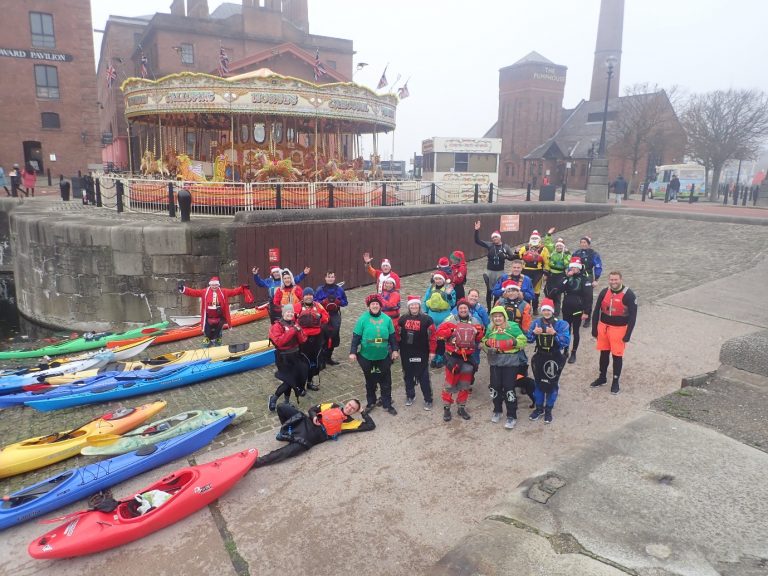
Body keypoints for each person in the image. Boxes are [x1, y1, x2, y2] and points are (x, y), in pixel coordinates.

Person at [254, 399, 375, 468]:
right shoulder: (333, 406)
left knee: (285, 453)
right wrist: (313, 417)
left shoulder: (350, 423)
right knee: (281, 406)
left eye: (353, 408)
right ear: (346, 403)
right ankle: (287, 431)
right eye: (349, 404)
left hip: (309, 438)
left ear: (354, 412)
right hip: (306, 423)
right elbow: (312, 409)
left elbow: (370, 426)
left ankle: (257, 462)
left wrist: (363, 411)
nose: (349, 408)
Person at [435, 298, 485, 422]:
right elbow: (439, 333)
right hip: (453, 357)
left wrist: (477, 333)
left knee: (465, 384)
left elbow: (480, 336)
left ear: (469, 309)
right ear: (458, 309)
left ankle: (461, 407)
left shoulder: (474, 321)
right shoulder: (450, 320)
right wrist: (451, 331)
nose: (463, 310)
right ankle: (447, 408)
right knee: (450, 384)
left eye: (465, 308)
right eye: (461, 308)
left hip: (467, 357)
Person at [350, 294, 400, 415]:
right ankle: (371, 402)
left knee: (386, 382)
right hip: (368, 357)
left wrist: (394, 350)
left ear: (380, 306)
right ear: (369, 306)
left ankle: (387, 403)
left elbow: (393, 337)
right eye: (373, 304)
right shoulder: (362, 319)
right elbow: (356, 337)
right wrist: (352, 352)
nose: (375, 306)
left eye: (377, 304)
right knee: (370, 382)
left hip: (383, 356)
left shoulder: (387, 319)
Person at [590, 271, 637, 395]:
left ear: (621, 280)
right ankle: (602, 377)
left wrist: (628, 334)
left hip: (619, 329)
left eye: (616, 280)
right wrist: (594, 328)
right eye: (611, 280)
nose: (613, 282)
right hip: (604, 327)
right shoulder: (604, 292)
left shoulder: (629, 295)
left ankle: (615, 381)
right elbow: (596, 311)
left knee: (617, 356)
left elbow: (633, 317)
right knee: (603, 354)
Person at [482, 306, 528, 429]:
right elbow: (484, 340)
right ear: (492, 318)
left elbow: (523, 340)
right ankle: (497, 410)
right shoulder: (490, 327)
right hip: (495, 361)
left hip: (510, 361)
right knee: (495, 387)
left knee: (509, 388)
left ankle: (511, 415)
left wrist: (512, 342)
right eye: (495, 316)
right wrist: (487, 343)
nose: (497, 318)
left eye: (500, 316)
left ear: (504, 317)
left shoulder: (512, 326)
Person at [526, 298, 570, 424]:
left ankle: (549, 409)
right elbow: (528, 340)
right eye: (544, 309)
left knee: (552, 385)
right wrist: (533, 333)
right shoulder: (536, 323)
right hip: (540, 356)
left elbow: (566, 342)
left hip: (555, 357)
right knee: (539, 384)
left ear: (552, 311)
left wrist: (555, 334)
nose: (546, 312)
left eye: (548, 310)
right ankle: (539, 409)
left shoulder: (562, 324)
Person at [178, 276, 251, 347]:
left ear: (218, 285)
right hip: (208, 317)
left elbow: (234, 292)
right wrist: (184, 289)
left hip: (219, 317)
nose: (214, 286)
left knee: (218, 331)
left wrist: (242, 288)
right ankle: (207, 342)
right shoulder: (205, 291)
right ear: (210, 284)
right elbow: (194, 292)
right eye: (213, 285)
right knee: (207, 332)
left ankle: (218, 342)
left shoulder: (224, 291)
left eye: (216, 285)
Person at [396, 295, 437, 410]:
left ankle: (428, 399)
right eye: (412, 305)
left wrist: (432, 351)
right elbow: (396, 335)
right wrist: (396, 349)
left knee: (423, 377)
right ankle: (410, 396)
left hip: (422, 353)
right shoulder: (402, 319)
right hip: (406, 353)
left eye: (416, 305)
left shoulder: (427, 319)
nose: (414, 307)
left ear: (419, 306)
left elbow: (433, 336)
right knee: (408, 376)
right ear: (409, 307)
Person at [548, 257, 591, 364]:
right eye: (572, 267)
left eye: (575, 268)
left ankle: (574, 352)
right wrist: (566, 277)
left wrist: (586, 312)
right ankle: (566, 350)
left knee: (575, 331)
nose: (573, 269)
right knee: (566, 330)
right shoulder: (567, 278)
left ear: (579, 268)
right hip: (566, 308)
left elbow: (589, 297)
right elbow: (558, 289)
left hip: (578, 309)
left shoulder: (585, 279)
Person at [267, 304, 309, 409]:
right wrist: (293, 330)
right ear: (283, 313)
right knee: (288, 380)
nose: (289, 314)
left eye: (291, 312)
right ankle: (274, 398)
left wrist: (299, 331)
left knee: (292, 380)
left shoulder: (295, 324)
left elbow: (303, 340)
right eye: (287, 312)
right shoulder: (276, 326)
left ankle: (286, 402)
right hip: (283, 357)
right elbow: (280, 342)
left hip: (295, 355)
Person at [293, 288, 329, 391]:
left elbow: (326, 318)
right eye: (306, 295)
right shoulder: (297, 307)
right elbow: (292, 321)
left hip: (316, 338)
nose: (308, 296)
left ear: (313, 296)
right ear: (303, 297)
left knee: (314, 361)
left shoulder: (318, 306)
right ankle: (301, 386)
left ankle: (310, 382)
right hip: (303, 339)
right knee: (303, 362)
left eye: (310, 295)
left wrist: (319, 316)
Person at [474, 220, 516, 310]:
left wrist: (513, 254)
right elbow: (477, 241)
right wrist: (476, 230)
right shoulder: (490, 245)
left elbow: (511, 257)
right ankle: (489, 309)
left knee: (497, 291)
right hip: (489, 272)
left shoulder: (505, 247)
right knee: (489, 291)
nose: (494, 239)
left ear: (500, 238)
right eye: (493, 238)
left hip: (500, 272)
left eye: (496, 237)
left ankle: (494, 308)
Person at [314, 271, 348, 366]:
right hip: (323, 316)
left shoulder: (339, 290)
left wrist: (338, 302)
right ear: (325, 278)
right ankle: (321, 360)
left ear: (334, 278)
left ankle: (328, 358)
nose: (330, 278)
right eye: (329, 277)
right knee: (322, 338)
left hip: (334, 315)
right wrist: (323, 302)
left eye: (332, 277)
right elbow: (314, 302)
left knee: (333, 337)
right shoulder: (320, 289)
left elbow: (345, 302)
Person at [423, 271, 456, 368]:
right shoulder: (431, 288)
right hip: (432, 314)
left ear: (444, 280)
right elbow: (425, 300)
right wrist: (425, 312)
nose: (437, 281)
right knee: (432, 337)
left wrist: (449, 295)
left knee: (441, 337)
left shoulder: (448, 289)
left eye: (440, 279)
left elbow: (453, 302)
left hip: (444, 315)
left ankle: (440, 357)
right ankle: (433, 356)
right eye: (436, 279)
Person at [515, 230, 550, 314]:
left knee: (536, 291)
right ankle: (526, 308)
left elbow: (547, 262)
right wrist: (516, 251)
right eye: (533, 238)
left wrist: (546, 273)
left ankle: (535, 308)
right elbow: (518, 256)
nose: (534, 239)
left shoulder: (544, 249)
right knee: (525, 289)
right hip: (525, 271)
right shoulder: (525, 248)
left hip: (538, 272)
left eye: (536, 238)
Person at [572, 236, 603, 328]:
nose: (583, 244)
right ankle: (577, 316)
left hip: (588, 277)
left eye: (585, 242)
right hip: (577, 277)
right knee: (577, 297)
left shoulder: (593, 254)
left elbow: (598, 266)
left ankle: (588, 318)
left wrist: (596, 279)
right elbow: (571, 264)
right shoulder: (576, 253)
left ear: (588, 244)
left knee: (587, 298)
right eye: (581, 242)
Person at [543, 237, 571, 316]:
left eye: (560, 246)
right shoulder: (552, 252)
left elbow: (567, 264)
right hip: (551, 275)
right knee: (547, 292)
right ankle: (548, 309)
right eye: (557, 246)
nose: (559, 247)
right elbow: (548, 244)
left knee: (557, 294)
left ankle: (556, 313)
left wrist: (567, 255)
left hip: (560, 275)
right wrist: (548, 234)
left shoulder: (565, 254)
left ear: (563, 247)